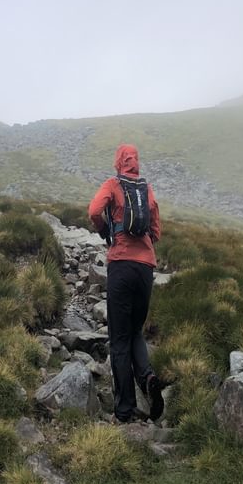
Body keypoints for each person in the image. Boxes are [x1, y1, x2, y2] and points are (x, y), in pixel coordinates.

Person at [88, 144, 164, 423]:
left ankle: (124, 410)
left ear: (119, 162)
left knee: (119, 340)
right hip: (145, 269)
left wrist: (107, 230)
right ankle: (147, 377)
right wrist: (144, 247)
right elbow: (156, 229)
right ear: (136, 162)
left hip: (121, 264)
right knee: (135, 332)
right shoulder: (146, 189)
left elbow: (95, 210)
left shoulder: (113, 184)